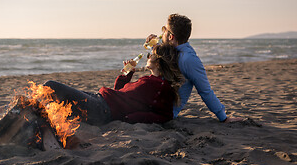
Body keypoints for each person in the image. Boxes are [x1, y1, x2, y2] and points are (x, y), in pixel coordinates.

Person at [43, 43, 183, 125]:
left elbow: (164, 115)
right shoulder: (150, 80)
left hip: (102, 108)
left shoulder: (160, 87)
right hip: (100, 100)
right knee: (58, 98)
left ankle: (32, 113)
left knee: (51, 86)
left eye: (149, 55)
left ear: (157, 62)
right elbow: (119, 92)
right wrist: (126, 75)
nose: (147, 57)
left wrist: (129, 119)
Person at [146, 14, 242, 123]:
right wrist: (154, 48)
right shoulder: (172, 53)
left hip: (161, 111)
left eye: (164, 30)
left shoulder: (189, 59)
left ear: (171, 36)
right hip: (150, 103)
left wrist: (223, 118)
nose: (161, 33)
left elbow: (205, 91)